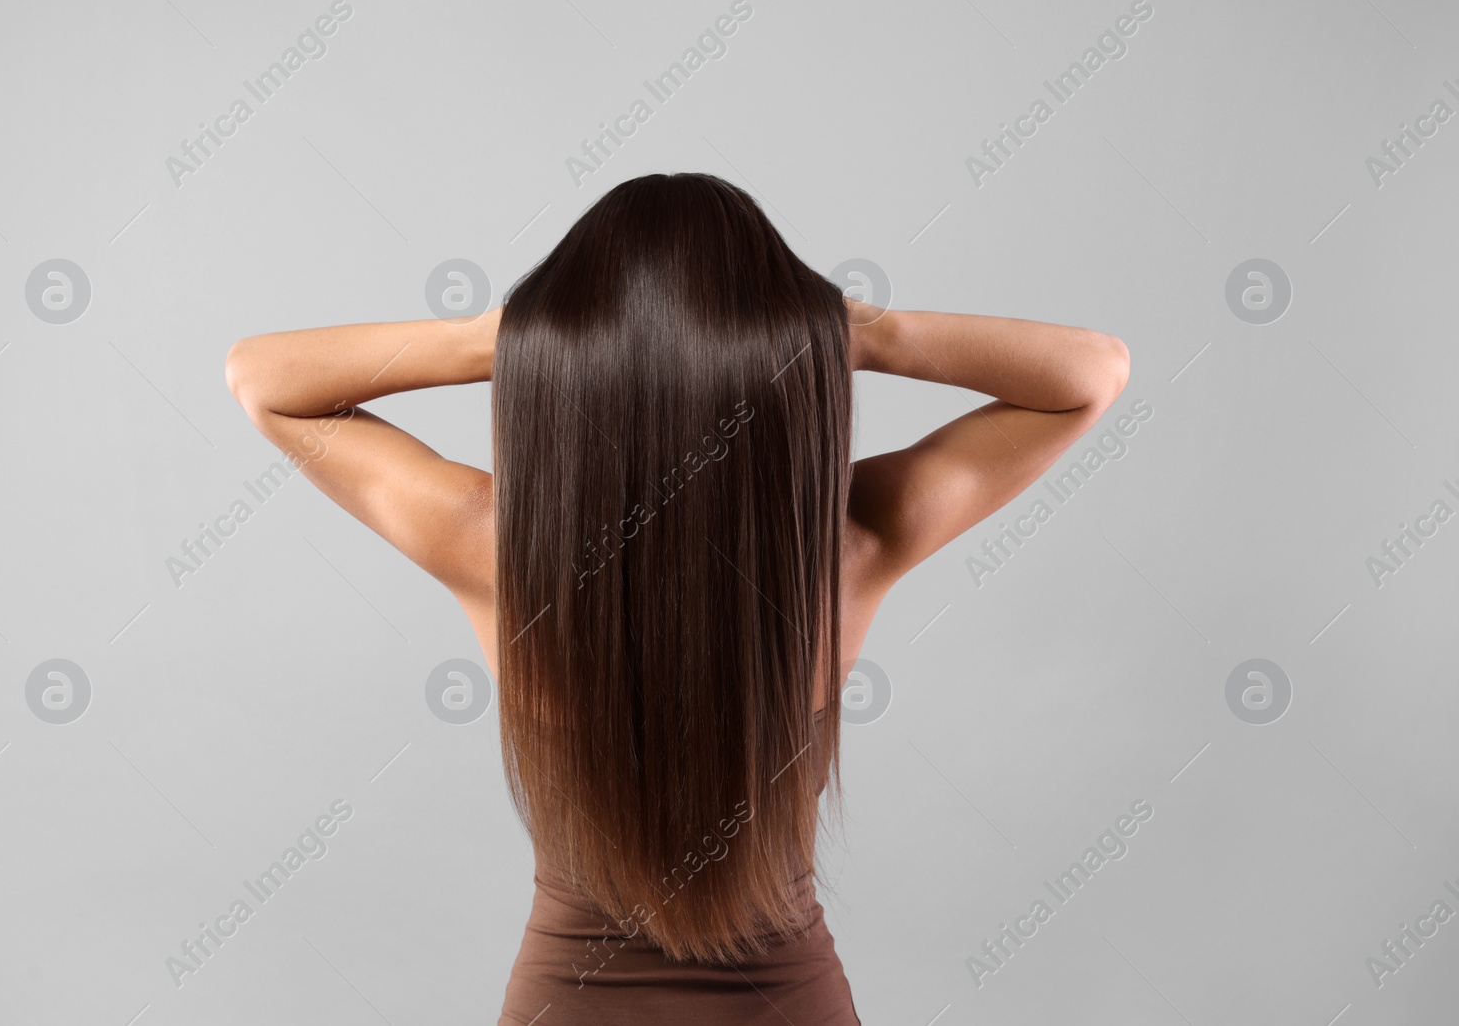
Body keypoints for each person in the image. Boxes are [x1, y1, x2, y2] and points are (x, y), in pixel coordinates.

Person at [225, 172, 1129, 1024]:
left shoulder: (489, 544)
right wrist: (854, 332)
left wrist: (504, 337)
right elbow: (1091, 373)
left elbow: (261, 379)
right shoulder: (850, 544)